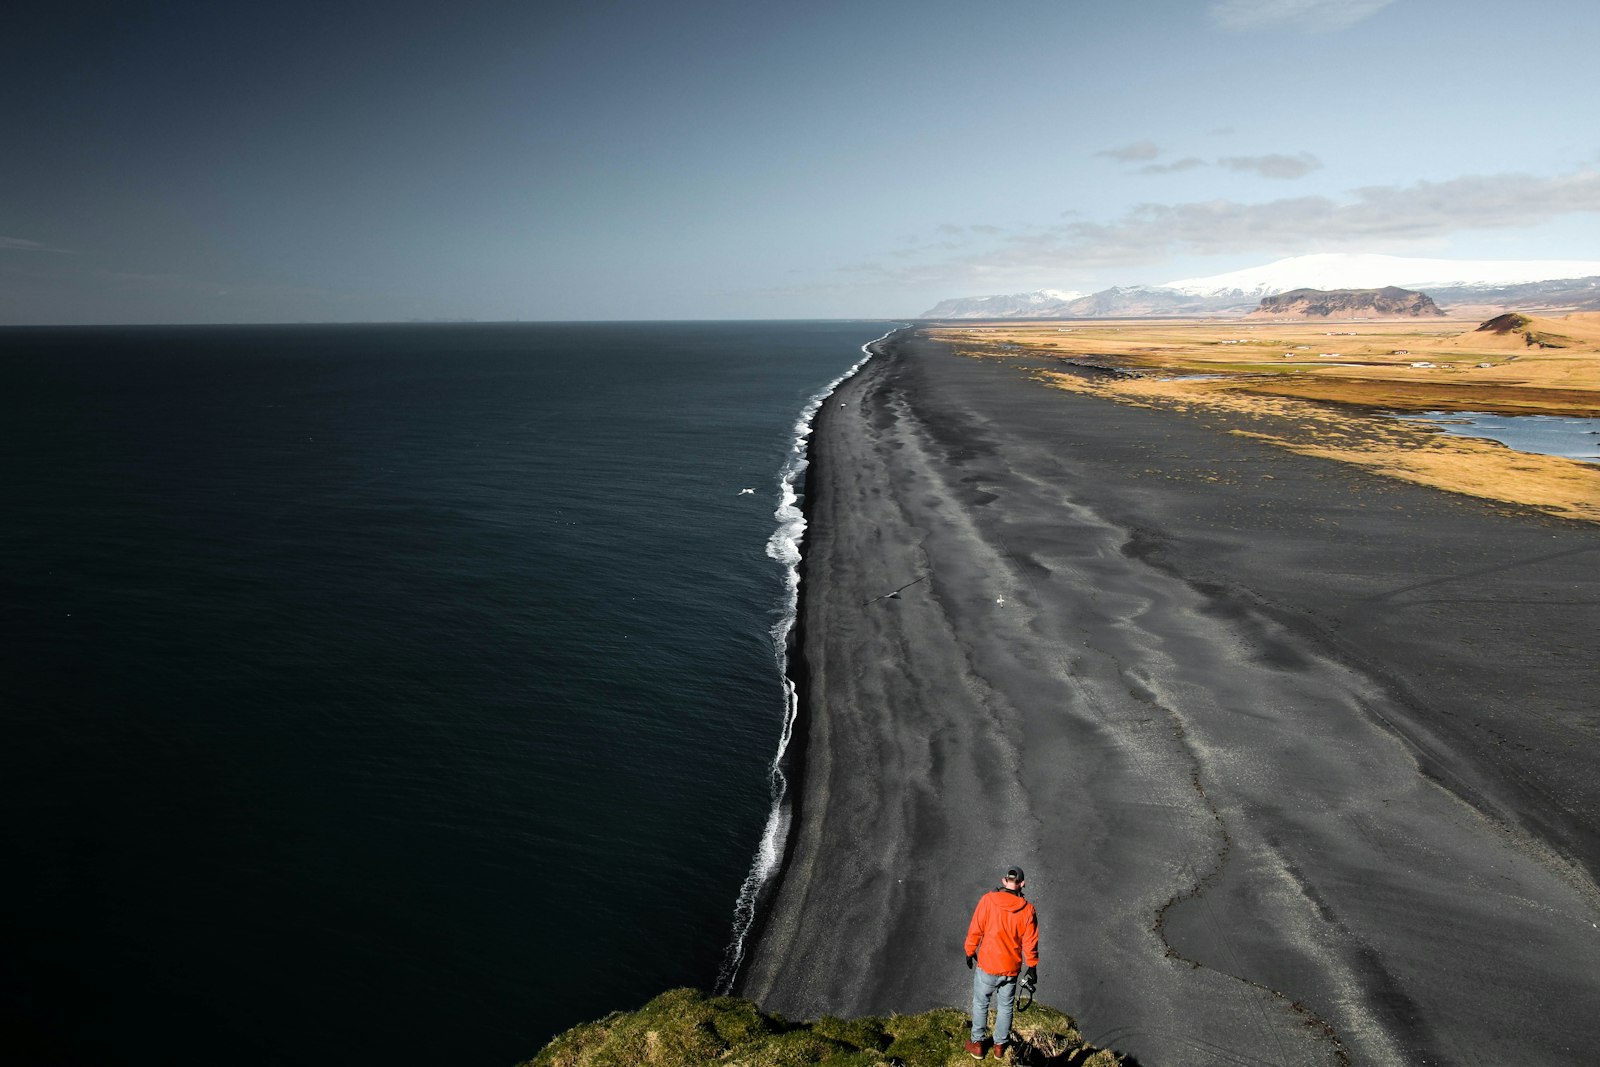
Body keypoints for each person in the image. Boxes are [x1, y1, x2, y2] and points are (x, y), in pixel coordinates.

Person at [963, 865, 1039, 1060]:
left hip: (988, 964)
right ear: (1022, 884)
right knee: (1005, 1007)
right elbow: (1030, 942)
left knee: (981, 1003)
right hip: (1010, 968)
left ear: (1004, 881)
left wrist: (970, 951)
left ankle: (978, 1043)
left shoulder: (988, 900)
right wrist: (1031, 966)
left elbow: (976, 928)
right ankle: (999, 1047)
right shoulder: (1028, 910)